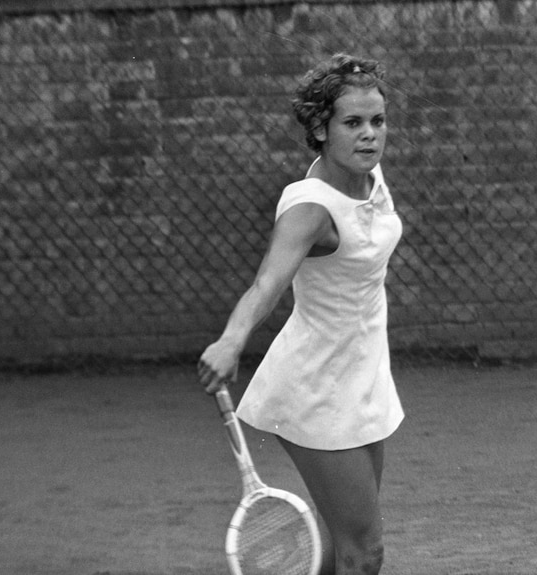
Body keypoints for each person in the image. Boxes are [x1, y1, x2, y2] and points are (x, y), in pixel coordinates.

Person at [197, 53, 403, 575]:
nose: (369, 135)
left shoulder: (369, 175)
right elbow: (268, 282)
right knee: (365, 552)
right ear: (319, 128)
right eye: (352, 123)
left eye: (377, 121)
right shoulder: (309, 208)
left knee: (343, 542)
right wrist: (231, 339)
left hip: (364, 374)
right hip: (317, 385)